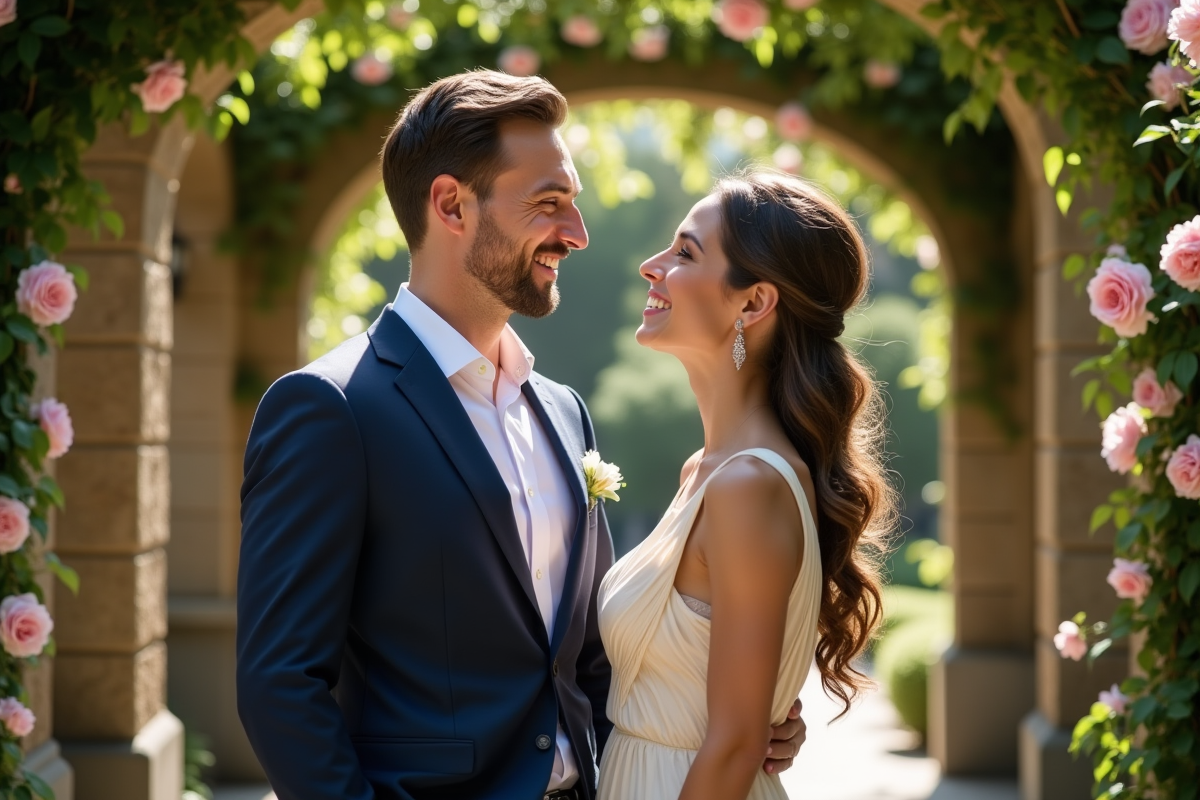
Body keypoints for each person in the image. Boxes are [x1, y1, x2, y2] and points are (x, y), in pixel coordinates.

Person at [236, 70, 805, 800]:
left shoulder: (562, 412)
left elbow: (593, 658)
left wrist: (735, 715)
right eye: (548, 204)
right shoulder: (330, 408)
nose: (576, 233)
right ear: (451, 205)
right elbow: (279, 684)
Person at [596, 171, 895, 800]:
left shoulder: (748, 484)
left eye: (684, 252)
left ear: (753, 303)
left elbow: (734, 748)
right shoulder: (706, 473)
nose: (652, 267)